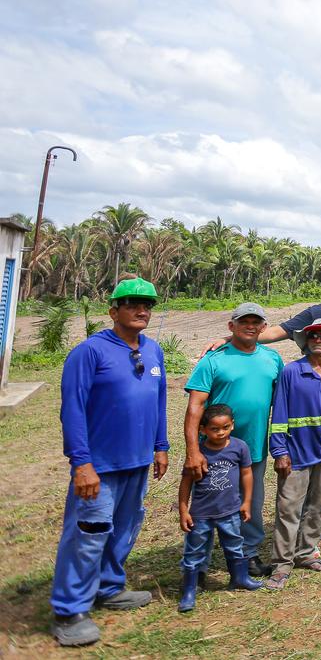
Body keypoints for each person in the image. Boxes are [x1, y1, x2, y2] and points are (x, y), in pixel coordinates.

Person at [203, 270, 321, 544]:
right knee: (311, 462)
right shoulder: (318, 313)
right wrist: (231, 339)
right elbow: (275, 332)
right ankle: (306, 524)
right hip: (314, 402)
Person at [50, 278, 170, 648]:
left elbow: (159, 399)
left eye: (147, 304)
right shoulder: (89, 352)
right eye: (132, 303)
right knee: (88, 534)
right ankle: (69, 608)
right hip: (100, 465)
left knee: (124, 528)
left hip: (137, 462)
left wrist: (161, 445)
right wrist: (81, 463)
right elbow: (72, 411)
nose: (141, 310)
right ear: (113, 309)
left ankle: (109, 587)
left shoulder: (154, 351)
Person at [183, 302, 283, 579]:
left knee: (250, 503)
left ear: (263, 327)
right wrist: (193, 451)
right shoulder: (214, 360)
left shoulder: (272, 359)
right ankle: (198, 565)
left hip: (253, 448)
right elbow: (195, 408)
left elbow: (282, 403)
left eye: (256, 322)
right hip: (214, 451)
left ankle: (246, 556)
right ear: (232, 326)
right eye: (243, 322)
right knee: (207, 506)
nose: (250, 326)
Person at [265, 318, 321, 590]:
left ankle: (306, 552)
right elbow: (279, 413)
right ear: (306, 340)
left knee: (319, 506)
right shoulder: (292, 372)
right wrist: (279, 450)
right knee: (288, 508)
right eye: (314, 335)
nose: (319, 339)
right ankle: (281, 564)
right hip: (295, 452)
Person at [176, 404, 261, 612]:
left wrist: (247, 501)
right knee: (194, 551)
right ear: (203, 429)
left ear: (232, 425)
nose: (220, 432)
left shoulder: (239, 447)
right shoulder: (197, 453)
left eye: (225, 427)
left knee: (234, 544)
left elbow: (247, 474)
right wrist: (183, 509)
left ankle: (240, 578)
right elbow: (186, 482)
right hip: (201, 514)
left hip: (230, 510)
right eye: (214, 429)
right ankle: (189, 589)